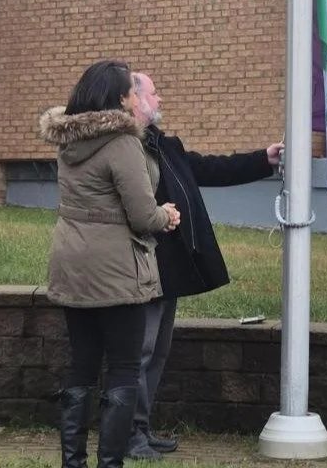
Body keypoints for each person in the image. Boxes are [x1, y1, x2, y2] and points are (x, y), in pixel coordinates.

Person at [125, 72, 284, 460]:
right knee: (138, 352)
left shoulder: (163, 146)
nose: (160, 96)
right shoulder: (123, 149)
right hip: (140, 265)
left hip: (169, 267)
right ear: (131, 99)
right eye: (153, 91)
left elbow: (211, 168)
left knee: (157, 352)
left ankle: (141, 429)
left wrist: (263, 159)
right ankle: (127, 434)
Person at [39, 60, 182, 468]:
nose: (139, 97)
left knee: (82, 367)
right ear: (120, 98)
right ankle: (110, 464)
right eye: (134, 91)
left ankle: (73, 463)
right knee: (122, 369)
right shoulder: (122, 142)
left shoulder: (68, 141)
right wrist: (167, 216)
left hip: (72, 264)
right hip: (117, 270)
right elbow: (142, 214)